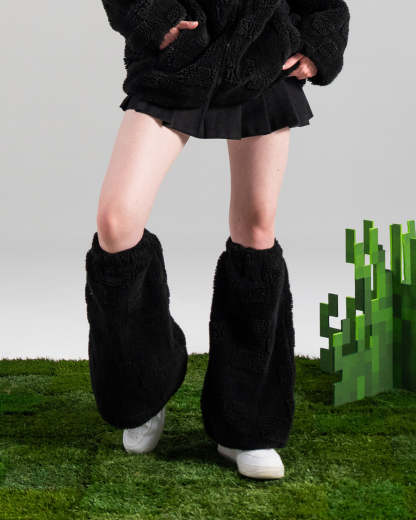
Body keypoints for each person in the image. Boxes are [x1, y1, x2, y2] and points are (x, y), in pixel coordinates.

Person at [84, 0, 350, 480]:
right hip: (178, 64)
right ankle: (144, 386)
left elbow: (325, 5)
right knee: (116, 221)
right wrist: (156, 21)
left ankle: (248, 422)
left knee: (256, 228)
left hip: (260, 60)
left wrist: (318, 47)